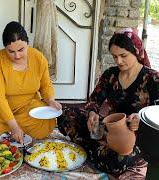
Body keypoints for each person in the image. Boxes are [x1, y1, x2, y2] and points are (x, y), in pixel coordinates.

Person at [57, 28, 159, 178]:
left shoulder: (153, 79)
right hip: (109, 130)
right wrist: (92, 113)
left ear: (136, 52)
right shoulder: (110, 74)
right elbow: (94, 100)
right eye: (114, 56)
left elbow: (157, 113)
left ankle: (94, 151)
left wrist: (141, 119)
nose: (118, 61)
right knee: (65, 114)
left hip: (133, 137)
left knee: (117, 162)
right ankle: (98, 150)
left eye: (123, 56)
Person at [0, 21, 62, 143]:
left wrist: (50, 100)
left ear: (27, 43)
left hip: (27, 107)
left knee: (48, 121)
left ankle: (0, 131)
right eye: (11, 51)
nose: (17, 56)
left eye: (21, 50)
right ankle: (14, 129)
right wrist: (14, 126)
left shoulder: (38, 58)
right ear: (5, 48)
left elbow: (45, 85)